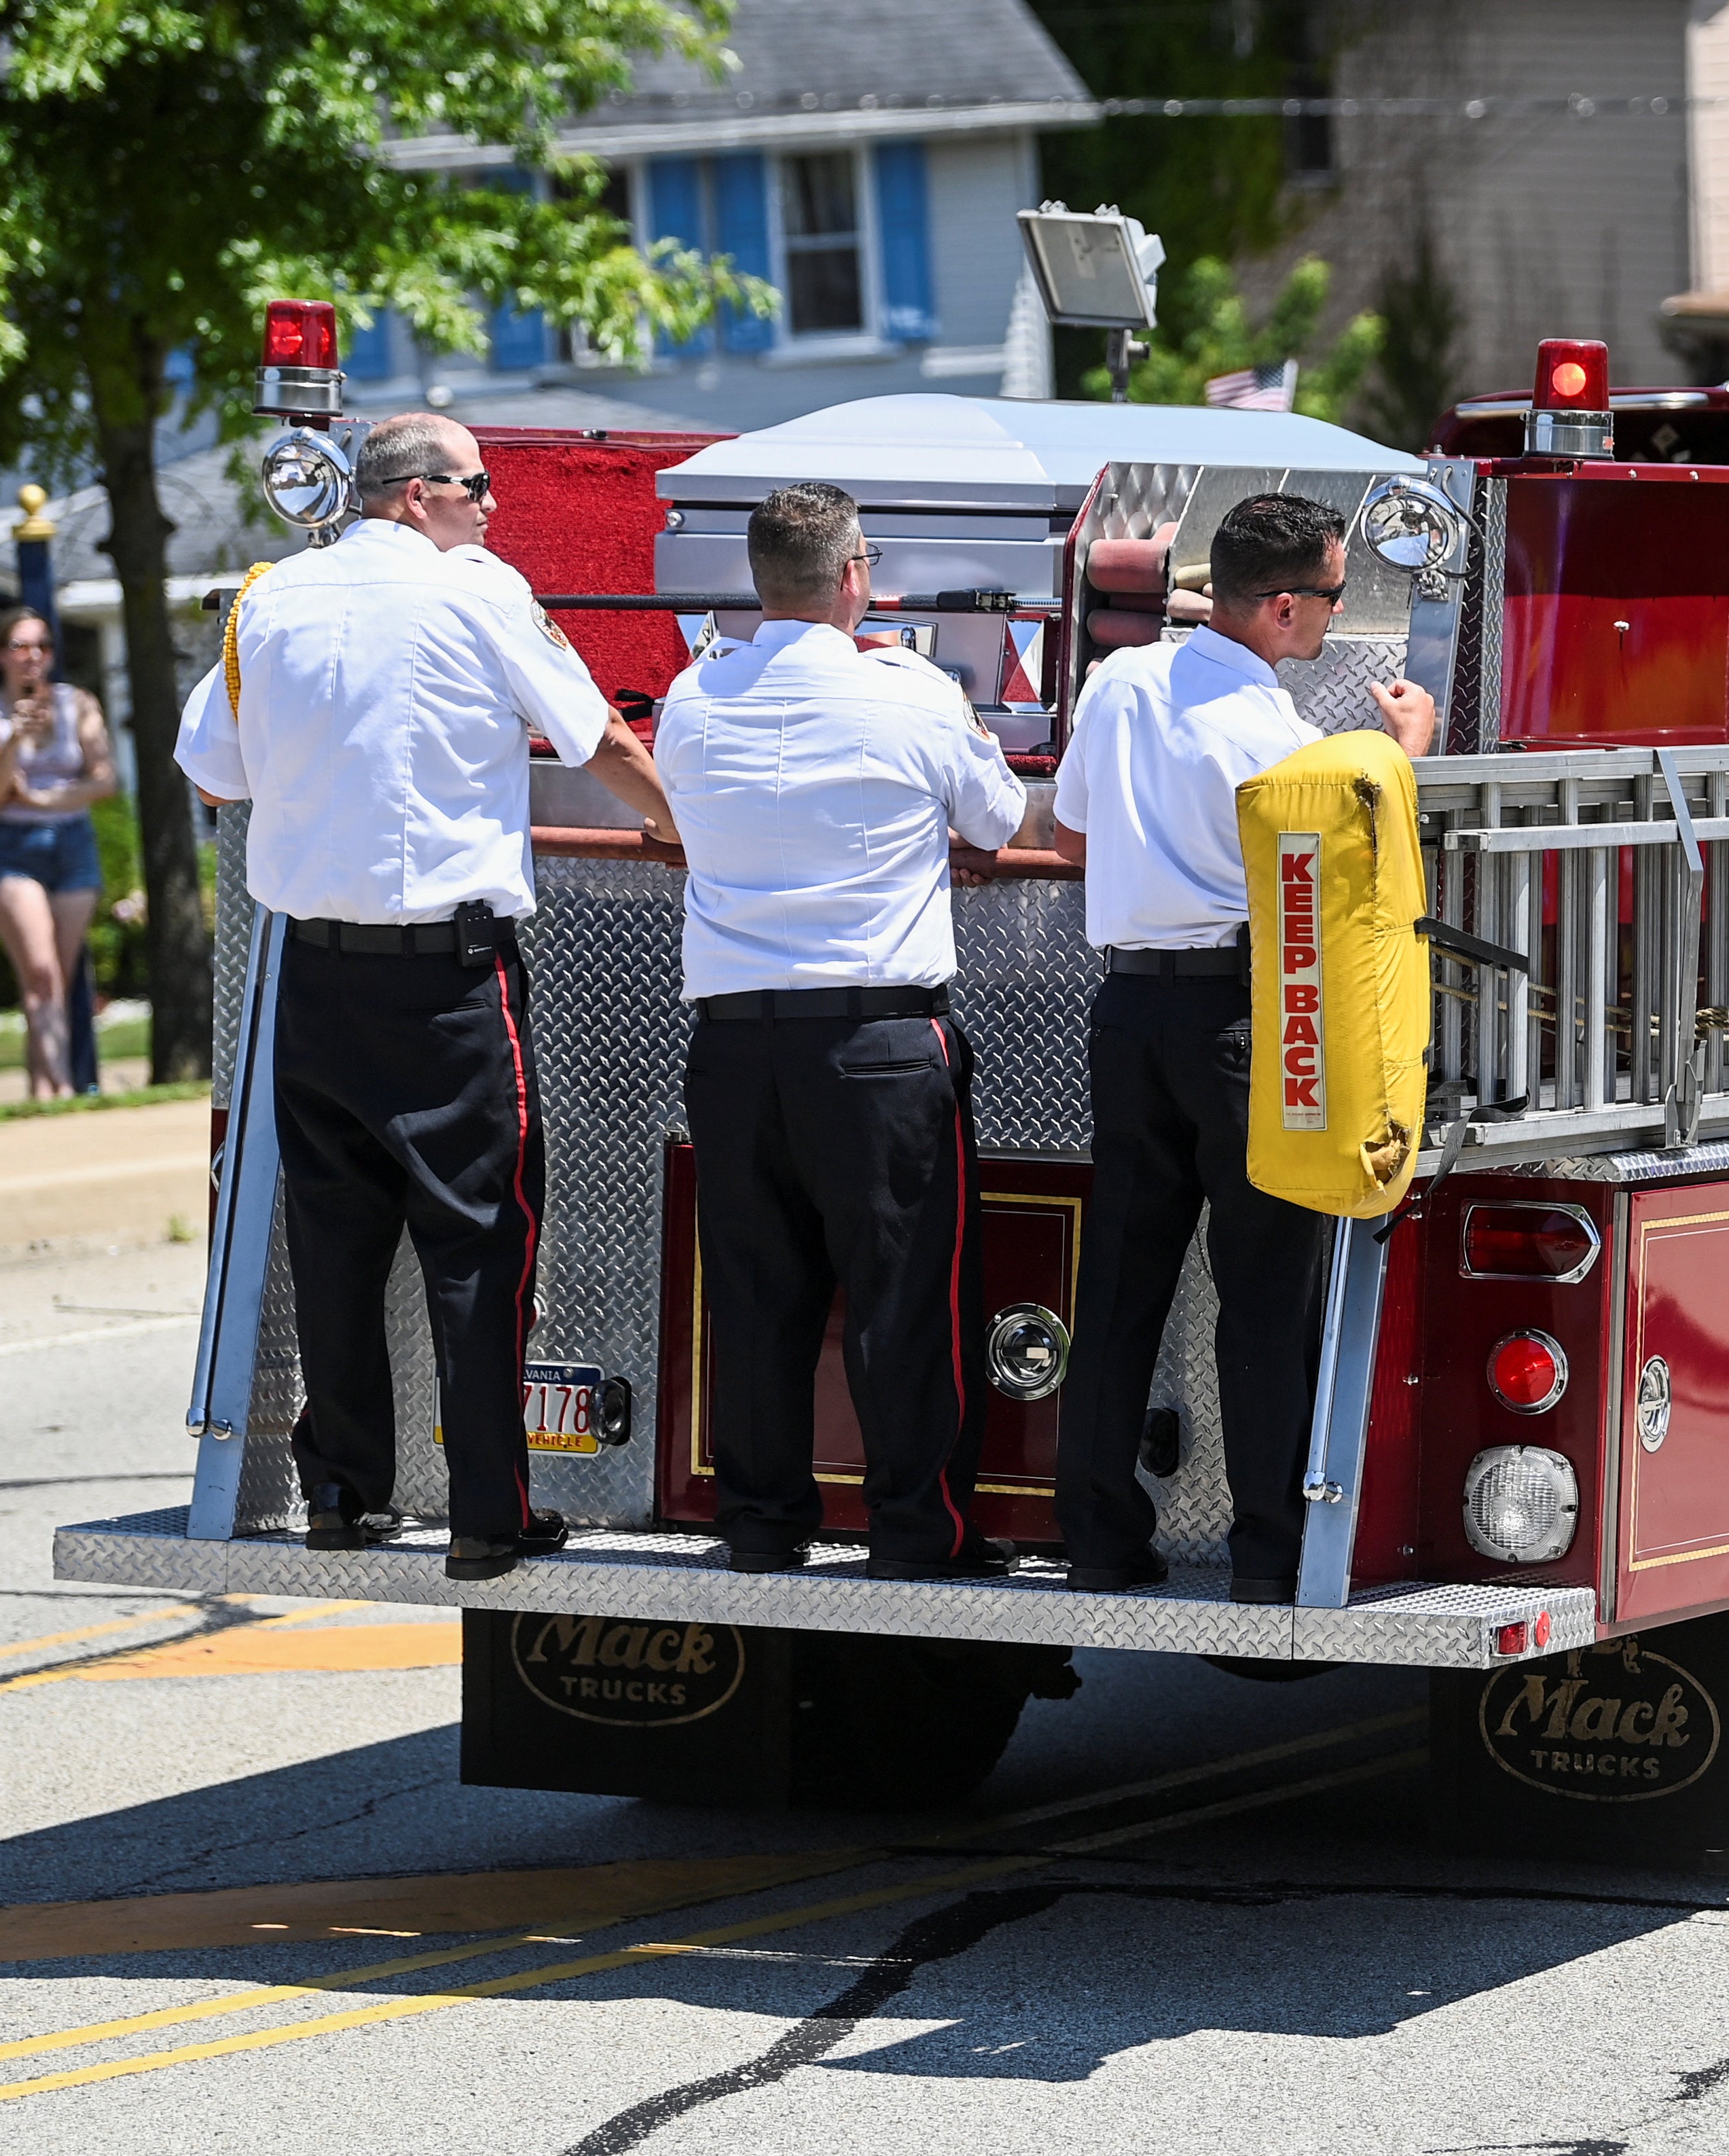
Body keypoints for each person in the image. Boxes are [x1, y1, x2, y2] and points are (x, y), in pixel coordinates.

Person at [175, 412, 675, 1583]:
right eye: (479, 485)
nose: (494, 506)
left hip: (313, 973)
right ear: (417, 495)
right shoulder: (478, 591)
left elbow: (214, 766)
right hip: (447, 979)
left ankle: (341, 1492)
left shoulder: (272, 599)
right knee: (479, 1243)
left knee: (337, 1238)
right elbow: (592, 729)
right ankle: (487, 1511)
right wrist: (682, 825)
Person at [1048, 494, 1435, 1603]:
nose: (1330, 614)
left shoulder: (1118, 681)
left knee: (1121, 1284)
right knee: (1265, 1292)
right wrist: (1401, 755)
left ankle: (1099, 1537)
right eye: (1327, 594)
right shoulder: (1282, 741)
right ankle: (1269, 1556)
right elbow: (1352, 892)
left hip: (1125, 1011)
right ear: (1278, 607)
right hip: (1243, 1020)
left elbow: (1070, 832)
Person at [655, 482, 1029, 1580]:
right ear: (855, 575)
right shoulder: (907, 693)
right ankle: (919, 1529)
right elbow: (998, 821)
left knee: (756, 1293)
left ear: (757, 583)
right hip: (874, 1041)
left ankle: (764, 1521)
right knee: (902, 1296)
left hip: (731, 1044)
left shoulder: (695, 698)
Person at [0, 609, 115, 1098]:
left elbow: (105, 779)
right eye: (21, 647)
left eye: (42, 647)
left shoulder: (78, 704)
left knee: (58, 980)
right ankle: (61, 1088)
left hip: (71, 842)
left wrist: (44, 799)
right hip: (11, 848)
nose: (33, 658)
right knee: (41, 973)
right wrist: (16, 741)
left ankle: (41, 1092)